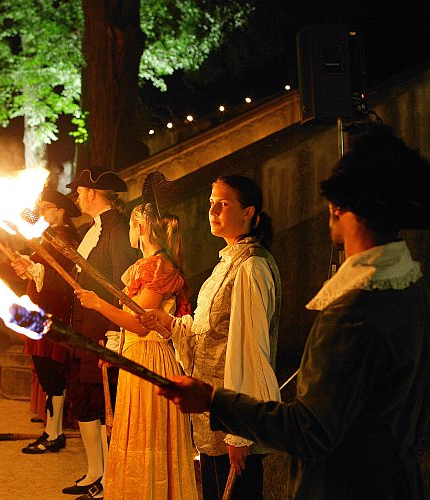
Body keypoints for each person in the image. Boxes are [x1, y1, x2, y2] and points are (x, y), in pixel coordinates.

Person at [148, 126, 430, 499]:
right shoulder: (411, 287)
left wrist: (216, 403)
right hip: (395, 481)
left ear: (341, 208)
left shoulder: (350, 311)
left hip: (347, 486)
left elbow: (309, 429)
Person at [141, 175, 281, 499]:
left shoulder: (252, 268)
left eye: (224, 203)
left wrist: (239, 432)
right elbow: (208, 332)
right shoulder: (228, 263)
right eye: (211, 203)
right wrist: (170, 324)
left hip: (232, 419)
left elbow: (249, 349)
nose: (214, 210)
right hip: (212, 417)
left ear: (248, 212)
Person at [75, 202, 198, 499]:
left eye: (131, 226)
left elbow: (142, 323)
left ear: (140, 229)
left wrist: (98, 303)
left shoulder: (158, 265)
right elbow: (131, 325)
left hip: (152, 358)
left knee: (150, 433)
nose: (129, 232)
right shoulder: (150, 264)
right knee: (136, 432)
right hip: (136, 354)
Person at [0, 189, 82, 454]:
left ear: (61, 211)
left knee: (52, 376)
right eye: (40, 207)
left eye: (46, 207)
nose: (41, 211)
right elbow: (26, 266)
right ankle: (50, 430)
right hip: (39, 312)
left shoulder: (63, 238)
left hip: (51, 314)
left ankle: (54, 434)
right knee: (46, 375)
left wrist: (1, 262)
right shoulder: (46, 236)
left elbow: (51, 274)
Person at [62, 167, 138, 498]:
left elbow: (123, 285)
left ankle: (111, 479)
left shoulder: (118, 230)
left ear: (93, 193)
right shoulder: (92, 229)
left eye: (79, 192)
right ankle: (96, 471)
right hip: (82, 325)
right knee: (84, 396)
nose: (77, 198)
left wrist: (113, 331)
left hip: (101, 328)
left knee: (102, 399)